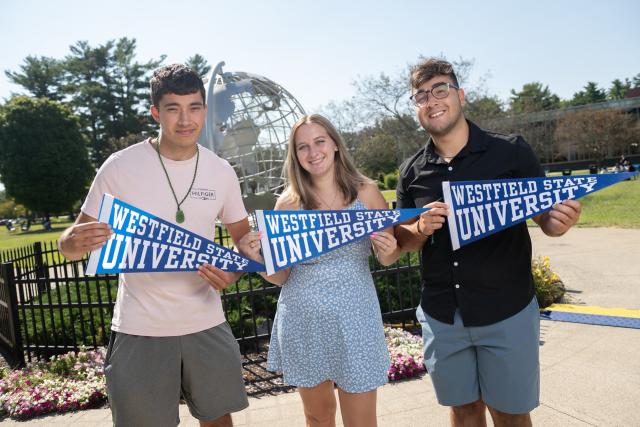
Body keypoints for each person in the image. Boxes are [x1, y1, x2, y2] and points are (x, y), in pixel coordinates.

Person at [58, 64, 249, 427]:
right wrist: (70, 241)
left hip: (206, 322)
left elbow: (244, 242)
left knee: (219, 422)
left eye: (194, 107)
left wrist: (235, 269)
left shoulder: (221, 171)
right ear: (156, 112)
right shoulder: (119, 166)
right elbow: (72, 243)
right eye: (173, 108)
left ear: (204, 111)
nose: (185, 119)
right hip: (139, 327)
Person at [395, 58, 582, 427]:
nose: (431, 100)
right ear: (416, 108)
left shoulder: (511, 151)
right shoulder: (412, 170)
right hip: (443, 313)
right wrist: (420, 230)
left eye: (440, 89)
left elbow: (546, 217)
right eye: (420, 95)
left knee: (511, 414)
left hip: (506, 310)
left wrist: (557, 223)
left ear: (460, 95)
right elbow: (403, 241)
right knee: (463, 411)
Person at [238, 114, 399, 427]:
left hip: (356, 320)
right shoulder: (288, 204)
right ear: (295, 155)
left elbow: (387, 257)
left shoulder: (366, 193)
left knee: (362, 421)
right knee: (318, 418)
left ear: (335, 144)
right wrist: (256, 262)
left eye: (320, 141)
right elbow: (281, 275)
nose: (313, 152)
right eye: (303, 146)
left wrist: (389, 251)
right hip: (303, 321)